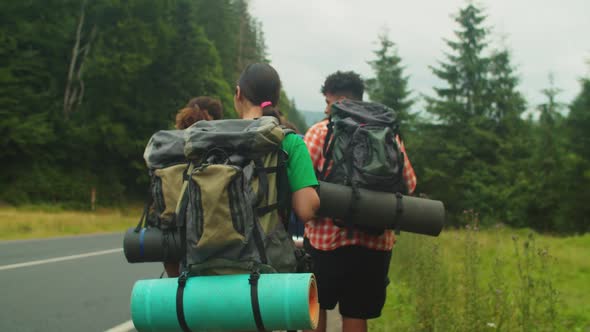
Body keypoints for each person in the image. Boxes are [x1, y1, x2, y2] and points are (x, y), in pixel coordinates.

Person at [303, 71, 417, 332]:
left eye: (328, 102)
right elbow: (409, 184)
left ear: (340, 99)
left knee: (315, 306)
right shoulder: (387, 134)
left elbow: (302, 187)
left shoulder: (321, 131)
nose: (325, 108)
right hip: (374, 243)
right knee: (356, 313)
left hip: (325, 242)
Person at [234, 62, 320, 223]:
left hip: (217, 244)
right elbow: (306, 209)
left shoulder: (217, 137)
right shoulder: (290, 141)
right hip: (266, 245)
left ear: (238, 94)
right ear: (276, 98)